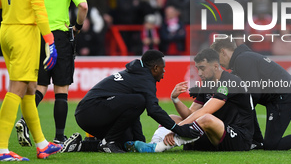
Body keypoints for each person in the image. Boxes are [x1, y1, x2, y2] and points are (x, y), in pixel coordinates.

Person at [0, 0, 61, 161]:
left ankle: (42, 144)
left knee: (28, 88)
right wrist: (50, 40)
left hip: (6, 28)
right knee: (17, 88)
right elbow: (38, 6)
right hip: (24, 31)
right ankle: (2, 149)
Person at [15, 0, 88, 146]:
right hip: (59, 37)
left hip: (36, 34)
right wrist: (78, 26)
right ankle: (59, 137)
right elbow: (83, 6)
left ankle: (24, 120)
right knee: (61, 89)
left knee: (40, 85)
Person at [61, 50, 200, 153]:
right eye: (163, 69)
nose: (164, 73)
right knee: (139, 100)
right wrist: (179, 129)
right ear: (155, 68)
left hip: (89, 113)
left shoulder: (137, 74)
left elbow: (133, 112)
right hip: (91, 111)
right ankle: (108, 142)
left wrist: (138, 140)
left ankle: (80, 145)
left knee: (128, 143)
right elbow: (153, 110)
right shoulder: (145, 79)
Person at [125, 48, 254, 153]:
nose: (199, 72)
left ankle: (158, 148)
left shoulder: (230, 82)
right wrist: (175, 99)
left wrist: (176, 129)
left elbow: (204, 112)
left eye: (202, 68)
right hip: (213, 135)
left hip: (238, 138)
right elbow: (190, 114)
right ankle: (152, 145)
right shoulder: (207, 84)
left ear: (215, 66)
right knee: (172, 118)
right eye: (198, 68)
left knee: (205, 118)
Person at [210, 38, 291, 150]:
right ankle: (256, 141)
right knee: (244, 101)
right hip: (280, 96)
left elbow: (254, 95)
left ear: (223, 52)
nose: (219, 64)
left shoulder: (242, 59)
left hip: (285, 97)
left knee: (272, 144)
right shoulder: (243, 59)